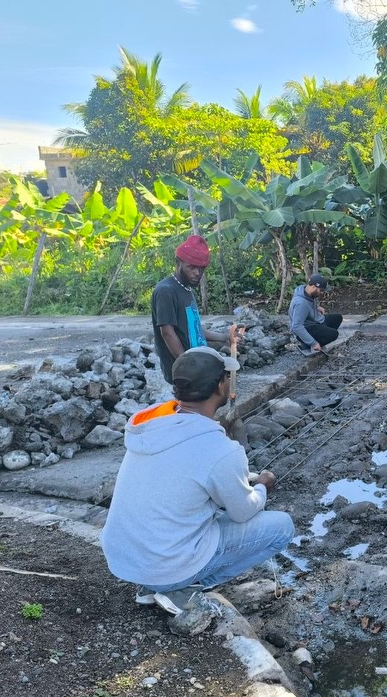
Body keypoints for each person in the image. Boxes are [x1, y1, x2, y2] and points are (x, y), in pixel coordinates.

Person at [101, 346, 294, 614]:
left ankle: (151, 587)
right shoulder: (220, 449)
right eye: (226, 377)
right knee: (282, 527)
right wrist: (262, 485)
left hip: (125, 559)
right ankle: (181, 589)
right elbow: (243, 512)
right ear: (219, 387)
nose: (228, 382)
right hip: (165, 565)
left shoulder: (154, 425)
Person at [151, 234, 230, 384]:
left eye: (201, 269)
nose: (197, 273)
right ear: (178, 263)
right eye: (192, 267)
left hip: (196, 366)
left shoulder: (187, 289)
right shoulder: (166, 290)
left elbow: (194, 329)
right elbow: (167, 333)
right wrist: (187, 365)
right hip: (183, 372)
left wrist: (225, 337)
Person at [289, 273, 343, 355]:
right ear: (313, 286)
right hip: (307, 328)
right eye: (321, 290)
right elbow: (296, 326)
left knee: (338, 318)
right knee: (334, 334)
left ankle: (312, 340)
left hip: (314, 321)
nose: (322, 293)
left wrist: (317, 307)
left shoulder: (305, 291)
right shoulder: (301, 304)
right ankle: (310, 344)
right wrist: (313, 343)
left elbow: (308, 302)